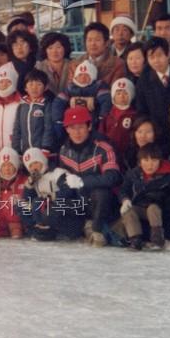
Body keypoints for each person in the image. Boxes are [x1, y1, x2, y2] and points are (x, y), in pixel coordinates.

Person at [55, 106, 122, 247]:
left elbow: (113, 177)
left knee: (101, 193)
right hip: (80, 202)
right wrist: (63, 181)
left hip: (103, 203)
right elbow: (63, 177)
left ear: (89, 126)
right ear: (67, 129)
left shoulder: (104, 147)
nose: (76, 132)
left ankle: (97, 230)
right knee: (52, 212)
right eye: (72, 128)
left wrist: (81, 182)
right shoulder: (64, 150)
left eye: (80, 127)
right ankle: (84, 227)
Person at [113, 143, 170, 251]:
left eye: (154, 161)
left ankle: (157, 238)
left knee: (153, 209)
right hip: (140, 206)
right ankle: (135, 240)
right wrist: (125, 200)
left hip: (158, 207)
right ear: (140, 162)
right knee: (129, 211)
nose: (150, 165)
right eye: (146, 160)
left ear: (159, 161)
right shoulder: (133, 174)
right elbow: (123, 189)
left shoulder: (167, 176)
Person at [133, 38, 170, 159]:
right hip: (158, 134)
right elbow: (141, 110)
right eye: (151, 57)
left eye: (159, 55)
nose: (156, 61)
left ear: (168, 54)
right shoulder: (144, 80)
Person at [74, 21, 125, 87]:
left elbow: (116, 92)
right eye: (89, 40)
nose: (93, 44)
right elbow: (70, 89)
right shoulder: (76, 63)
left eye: (97, 40)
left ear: (107, 42)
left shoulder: (117, 64)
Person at [35, 31, 73, 96]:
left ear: (65, 48)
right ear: (45, 50)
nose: (54, 51)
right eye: (50, 48)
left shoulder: (73, 65)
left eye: (58, 47)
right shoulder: (38, 67)